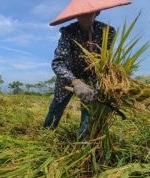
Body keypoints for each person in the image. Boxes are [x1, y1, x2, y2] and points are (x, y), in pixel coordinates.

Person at [43, 0, 131, 140]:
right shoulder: (68, 32)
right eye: (80, 13)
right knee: (56, 108)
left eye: (88, 12)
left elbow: (106, 63)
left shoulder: (107, 32)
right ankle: (45, 137)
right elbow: (58, 63)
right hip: (68, 76)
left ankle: (82, 146)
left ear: (96, 12)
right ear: (75, 15)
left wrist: (104, 85)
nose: (84, 15)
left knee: (89, 113)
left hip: (93, 77)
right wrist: (75, 82)